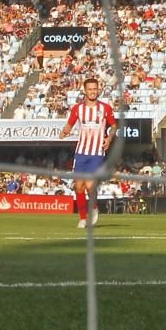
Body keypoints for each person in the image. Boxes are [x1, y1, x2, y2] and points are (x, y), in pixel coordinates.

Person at [59, 77, 117, 229]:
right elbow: (69, 124)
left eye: (95, 89)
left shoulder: (105, 108)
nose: (92, 91)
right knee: (79, 186)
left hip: (97, 152)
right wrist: (65, 131)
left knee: (90, 185)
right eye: (90, 89)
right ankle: (83, 218)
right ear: (85, 91)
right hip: (81, 152)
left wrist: (109, 138)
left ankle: (94, 207)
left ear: (98, 90)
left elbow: (113, 126)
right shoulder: (78, 108)